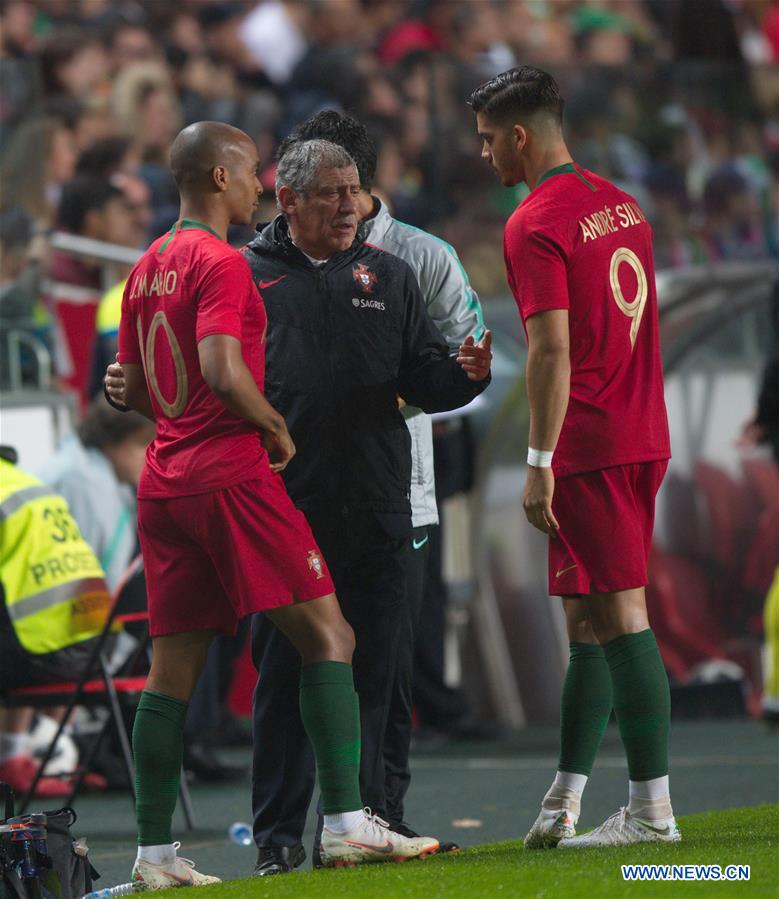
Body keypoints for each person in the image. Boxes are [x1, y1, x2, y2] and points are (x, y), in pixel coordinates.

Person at [115, 121, 444, 889]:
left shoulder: (148, 265)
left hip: (165, 482)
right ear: (222, 178)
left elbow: (133, 387)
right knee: (329, 635)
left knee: (170, 673)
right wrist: (271, 426)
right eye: (251, 172)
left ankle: (154, 856)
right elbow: (222, 368)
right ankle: (345, 823)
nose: (260, 184)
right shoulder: (221, 262)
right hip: (232, 476)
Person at [242, 136, 491, 874]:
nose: (349, 205)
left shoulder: (390, 274)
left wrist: (464, 378)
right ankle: (278, 837)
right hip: (285, 506)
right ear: (287, 200)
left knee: (379, 671)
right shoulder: (246, 277)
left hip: (380, 501)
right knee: (283, 673)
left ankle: (368, 819)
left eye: (352, 189)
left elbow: (424, 378)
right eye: (329, 192)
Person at [470, 66, 677, 848]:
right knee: (586, 616)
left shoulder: (532, 222)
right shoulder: (621, 203)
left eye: (489, 140)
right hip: (638, 427)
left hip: (586, 442)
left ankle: (653, 815)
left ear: (519, 136)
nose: (485, 155)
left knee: (620, 612)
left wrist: (537, 457)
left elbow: (551, 348)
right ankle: (565, 796)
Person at [0, 447, 112, 799]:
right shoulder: (25, 482)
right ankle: (23, 753)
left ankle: (13, 755)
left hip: (38, 651)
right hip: (95, 649)